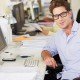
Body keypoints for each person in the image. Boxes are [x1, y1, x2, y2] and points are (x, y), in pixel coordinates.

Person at [41, 0, 80, 79]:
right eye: (56, 16)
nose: (60, 19)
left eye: (63, 14)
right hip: (64, 76)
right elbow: (45, 50)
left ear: (70, 13)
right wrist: (47, 57)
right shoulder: (58, 36)